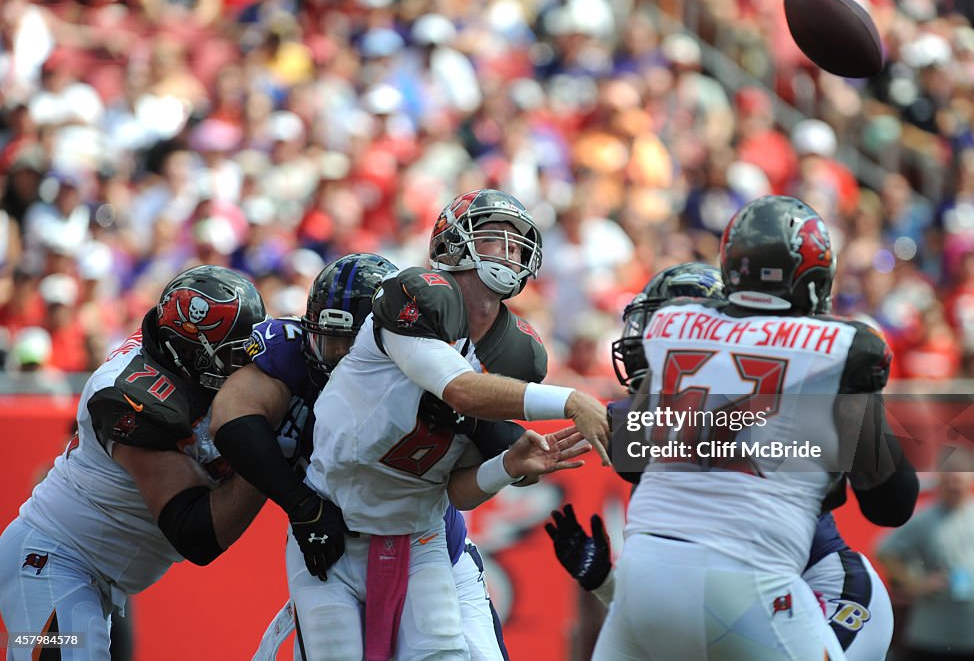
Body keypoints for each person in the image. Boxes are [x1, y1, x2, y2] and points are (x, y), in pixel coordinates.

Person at [591, 195, 919, 661]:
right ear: (815, 276)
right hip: (749, 584)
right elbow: (891, 503)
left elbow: (631, 451)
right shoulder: (843, 347)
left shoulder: (671, 323)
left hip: (644, 578)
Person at [294, 188, 609, 660]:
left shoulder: (513, 353)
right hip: (333, 531)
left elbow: (454, 490)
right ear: (453, 243)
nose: (508, 250)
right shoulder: (416, 298)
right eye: (493, 237)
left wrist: (507, 465)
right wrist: (570, 400)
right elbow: (458, 388)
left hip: (419, 535)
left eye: (516, 241)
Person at [209, 253, 523, 660]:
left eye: (352, 344)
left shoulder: (427, 367)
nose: (339, 357)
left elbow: (505, 439)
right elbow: (231, 421)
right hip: (332, 548)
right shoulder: (289, 358)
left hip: (427, 548)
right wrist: (300, 505)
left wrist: (467, 420)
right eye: (329, 340)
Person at [0, 265, 268, 660]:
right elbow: (199, 534)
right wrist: (267, 459)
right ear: (191, 351)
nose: (244, 363)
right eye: (231, 353)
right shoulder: (132, 399)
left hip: (90, 574)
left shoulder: (174, 358)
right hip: (50, 562)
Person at [877, 459, 974, 661]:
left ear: (972, 481)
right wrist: (915, 583)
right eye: (950, 481)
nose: (955, 486)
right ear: (940, 482)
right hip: (932, 636)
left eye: (959, 481)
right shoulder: (923, 518)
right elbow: (885, 551)